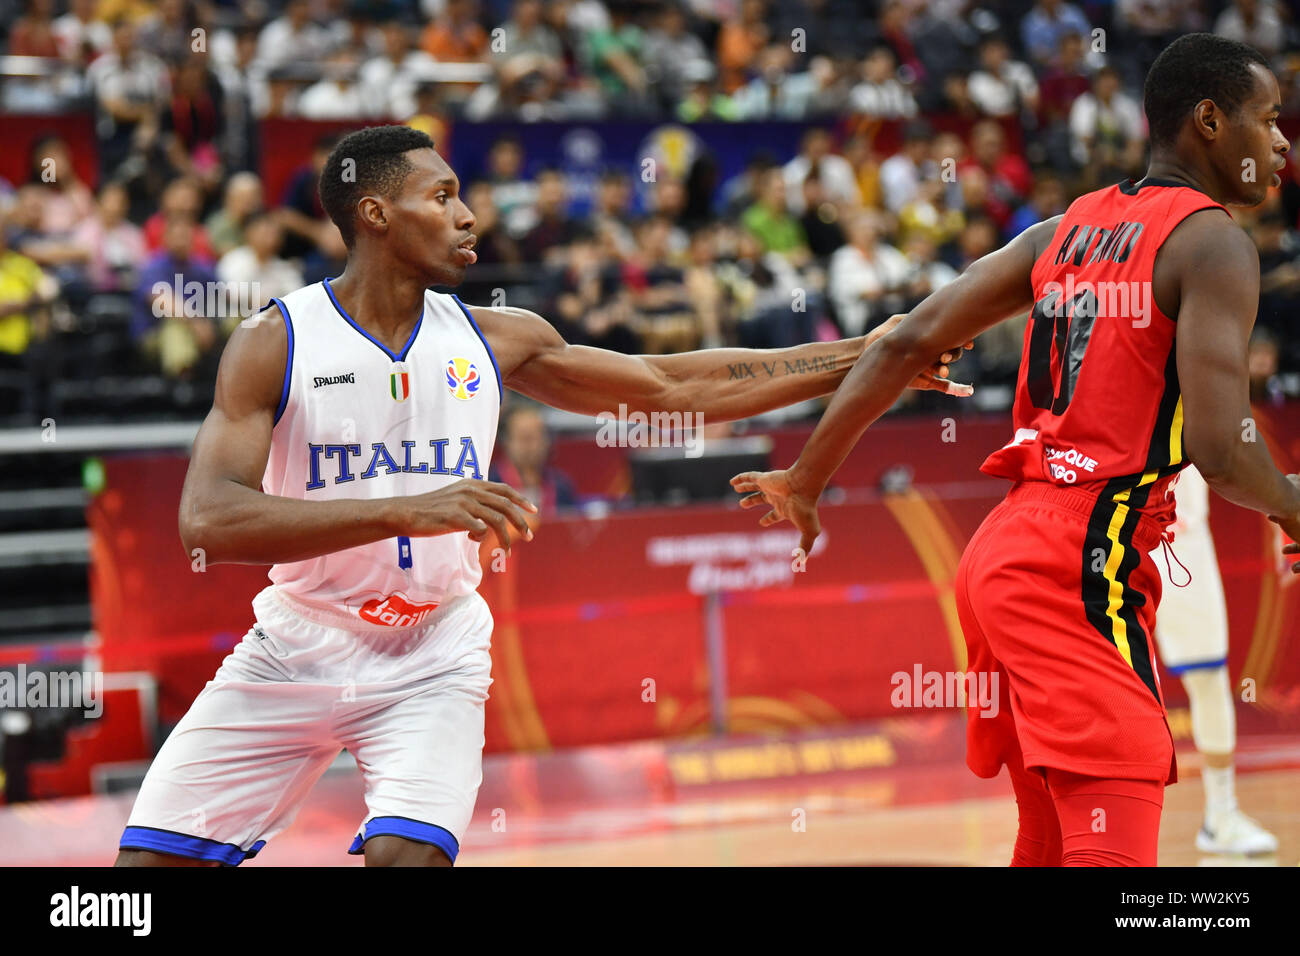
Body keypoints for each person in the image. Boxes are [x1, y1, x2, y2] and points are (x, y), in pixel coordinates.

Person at [114, 125, 966, 868]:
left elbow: (667, 387)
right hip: (298, 645)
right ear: (374, 214)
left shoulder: (495, 337)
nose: (467, 215)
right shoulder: (276, 340)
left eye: (463, 198)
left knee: (405, 854)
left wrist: (869, 352)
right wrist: (405, 509)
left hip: (432, 649)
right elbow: (208, 523)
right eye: (441, 196)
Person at [731, 33, 1300, 866]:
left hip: (1003, 551)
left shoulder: (1060, 231)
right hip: (1079, 560)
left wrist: (807, 476)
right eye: (1270, 118)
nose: (1282, 141)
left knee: (1047, 839)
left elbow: (900, 343)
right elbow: (1221, 448)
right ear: (1209, 122)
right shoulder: (1213, 243)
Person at [1148, 466, 1278, 855]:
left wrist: (1282, 506)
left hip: (1178, 533)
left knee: (1207, 676)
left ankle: (1220, 815)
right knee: (1091, 675)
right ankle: (1077, 821)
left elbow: (1228, 444)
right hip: (1094, 519)